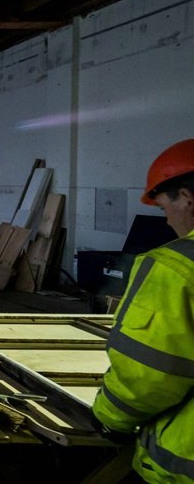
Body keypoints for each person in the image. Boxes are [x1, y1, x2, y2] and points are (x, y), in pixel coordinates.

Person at [92, 138, 194, 483]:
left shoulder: (176, 266)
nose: (167, 222)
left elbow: (151, 374)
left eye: (165, 208)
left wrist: (110, 419)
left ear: (187, 198)